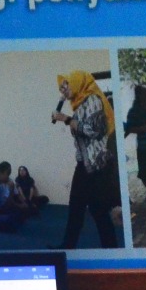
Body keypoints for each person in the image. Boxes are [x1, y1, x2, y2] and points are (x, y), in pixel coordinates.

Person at [54, 70, 120, 250]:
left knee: (97, 210)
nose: (63, 91)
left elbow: (95, 130)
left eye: (66, 86)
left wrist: (66, 119)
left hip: (97, 166)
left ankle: (110, 249)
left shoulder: (93, 100)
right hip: (85, 164)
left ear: (77, 82)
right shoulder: (79, 104)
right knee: (79, 207)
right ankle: (69, 246)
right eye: (61, 88)